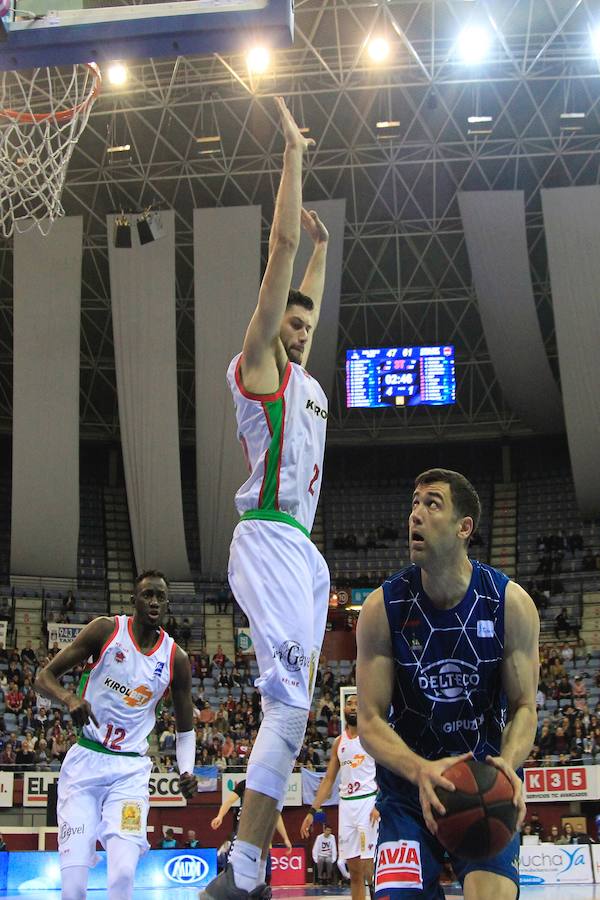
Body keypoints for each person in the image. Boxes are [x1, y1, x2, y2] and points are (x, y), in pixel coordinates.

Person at [201, 97, 330, 900]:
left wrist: (322, 250)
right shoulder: (260, 371)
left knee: (296, 710)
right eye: (287, 318)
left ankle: (244, 868)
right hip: (270, 539)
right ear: (266, 323)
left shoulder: (311, 380)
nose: (298, 328)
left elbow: (306, 287)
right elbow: (279, 250)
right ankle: (243, 870)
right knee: (285, 709)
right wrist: (291, 153)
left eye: (305, 323)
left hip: (306, 558)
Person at [356, 469, 539, 900]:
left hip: (482, 783)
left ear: (464, 527)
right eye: (414, 504)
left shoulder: (510, 604)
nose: (415, 515)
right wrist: (421, 771)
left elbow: (525, 708)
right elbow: (368, 720)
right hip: (407, 791)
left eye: (431, 503)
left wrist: (508, 767)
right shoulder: (382, 608)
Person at [34, 570, 198, 900]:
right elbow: (44, 676)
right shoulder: (106, 630)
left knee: (123, 873)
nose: (154, 601)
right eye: (148, 594)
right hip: (84, 766)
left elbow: (185, 727)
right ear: (133, 599)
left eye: (160, 597)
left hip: (130, 773)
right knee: (74, 888)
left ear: (167, 604)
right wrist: (69, 699)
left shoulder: (175, 658)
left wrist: (186, 770)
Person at [301, 693, 379, 900]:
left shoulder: (371, 736)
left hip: (368, 801)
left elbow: (385, 772)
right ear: (343, 710)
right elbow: (328, 780)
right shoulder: (338, 742)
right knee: (353, 871)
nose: (353, 706)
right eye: (349, 703)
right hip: (346, 806)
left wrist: (379, 802)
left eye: (357, 703)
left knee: (368, 868)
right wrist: (312, 811)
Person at [211, 778, 293, 889]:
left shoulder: (270, 788)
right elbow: (229, 801)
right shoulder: (246, 784)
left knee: (265, 875)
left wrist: (286, 838)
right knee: (232, 868)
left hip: (261, 837)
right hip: (241, 836)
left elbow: (276, 815)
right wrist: (220, 816)